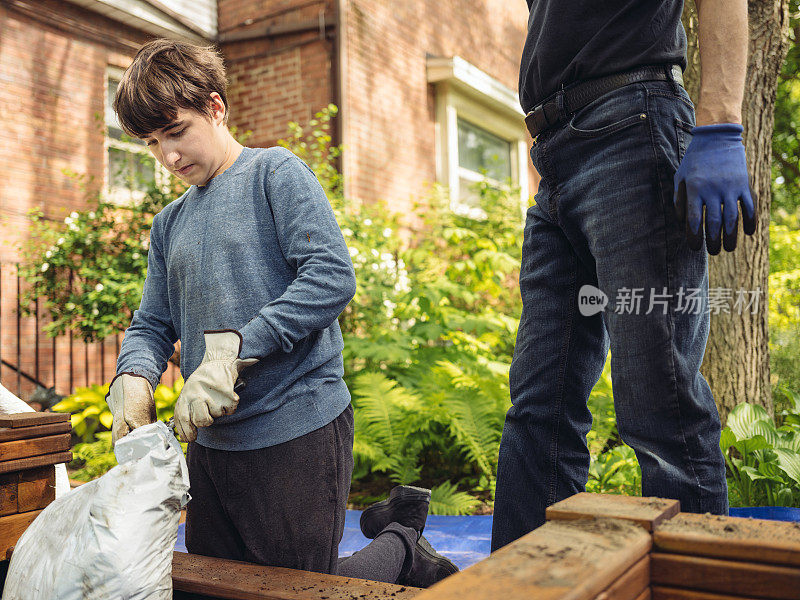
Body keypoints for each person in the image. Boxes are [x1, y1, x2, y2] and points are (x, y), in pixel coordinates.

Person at [104, 38, 457, 588]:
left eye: (176, 132)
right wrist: (133, 373)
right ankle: (401, 540)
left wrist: (234, 350)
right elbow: (152, 323)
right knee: (219, 587)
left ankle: (402, 546)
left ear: (216, 108)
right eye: (152, 143)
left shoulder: (275, 174)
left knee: (300, 589)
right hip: (213, 446)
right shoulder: (168, 224)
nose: (167, 156)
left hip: (296, 428)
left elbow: (331, 276)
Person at [492, 0, 756, 551]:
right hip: (556, 156)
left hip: (633, 127)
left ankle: (695, 587)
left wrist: (722, 123)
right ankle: (525, 585)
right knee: (539, 406)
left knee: (660, 404)